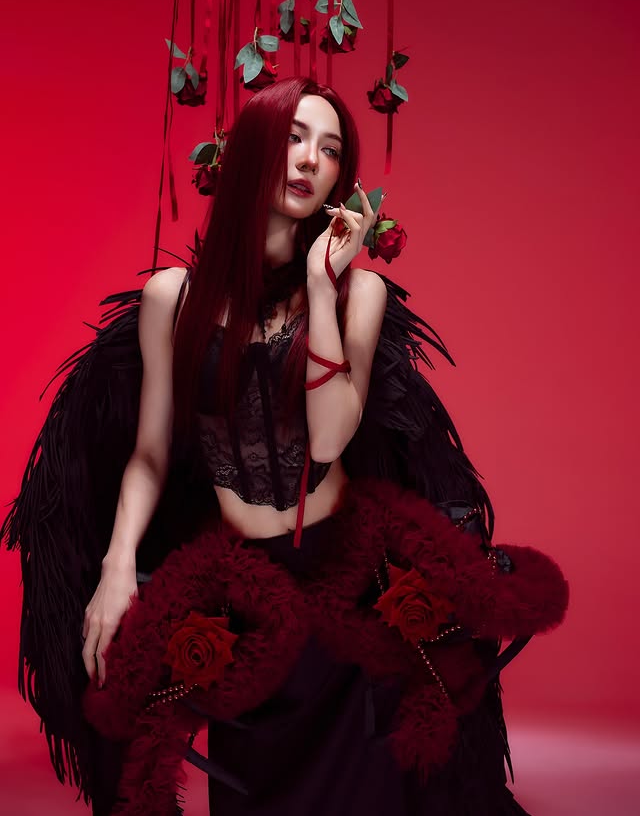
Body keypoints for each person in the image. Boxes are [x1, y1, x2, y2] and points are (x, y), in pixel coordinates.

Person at [3, 77, 569, 816]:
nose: (309, 160)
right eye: (294, 138)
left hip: (349, 581)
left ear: (340, 180)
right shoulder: (172, 298)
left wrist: (320, 284)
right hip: (244, 592)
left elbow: (330, 436)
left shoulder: (358, 294)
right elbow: (150, 454)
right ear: (250, 151)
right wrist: (117, 566)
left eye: (329, 150)